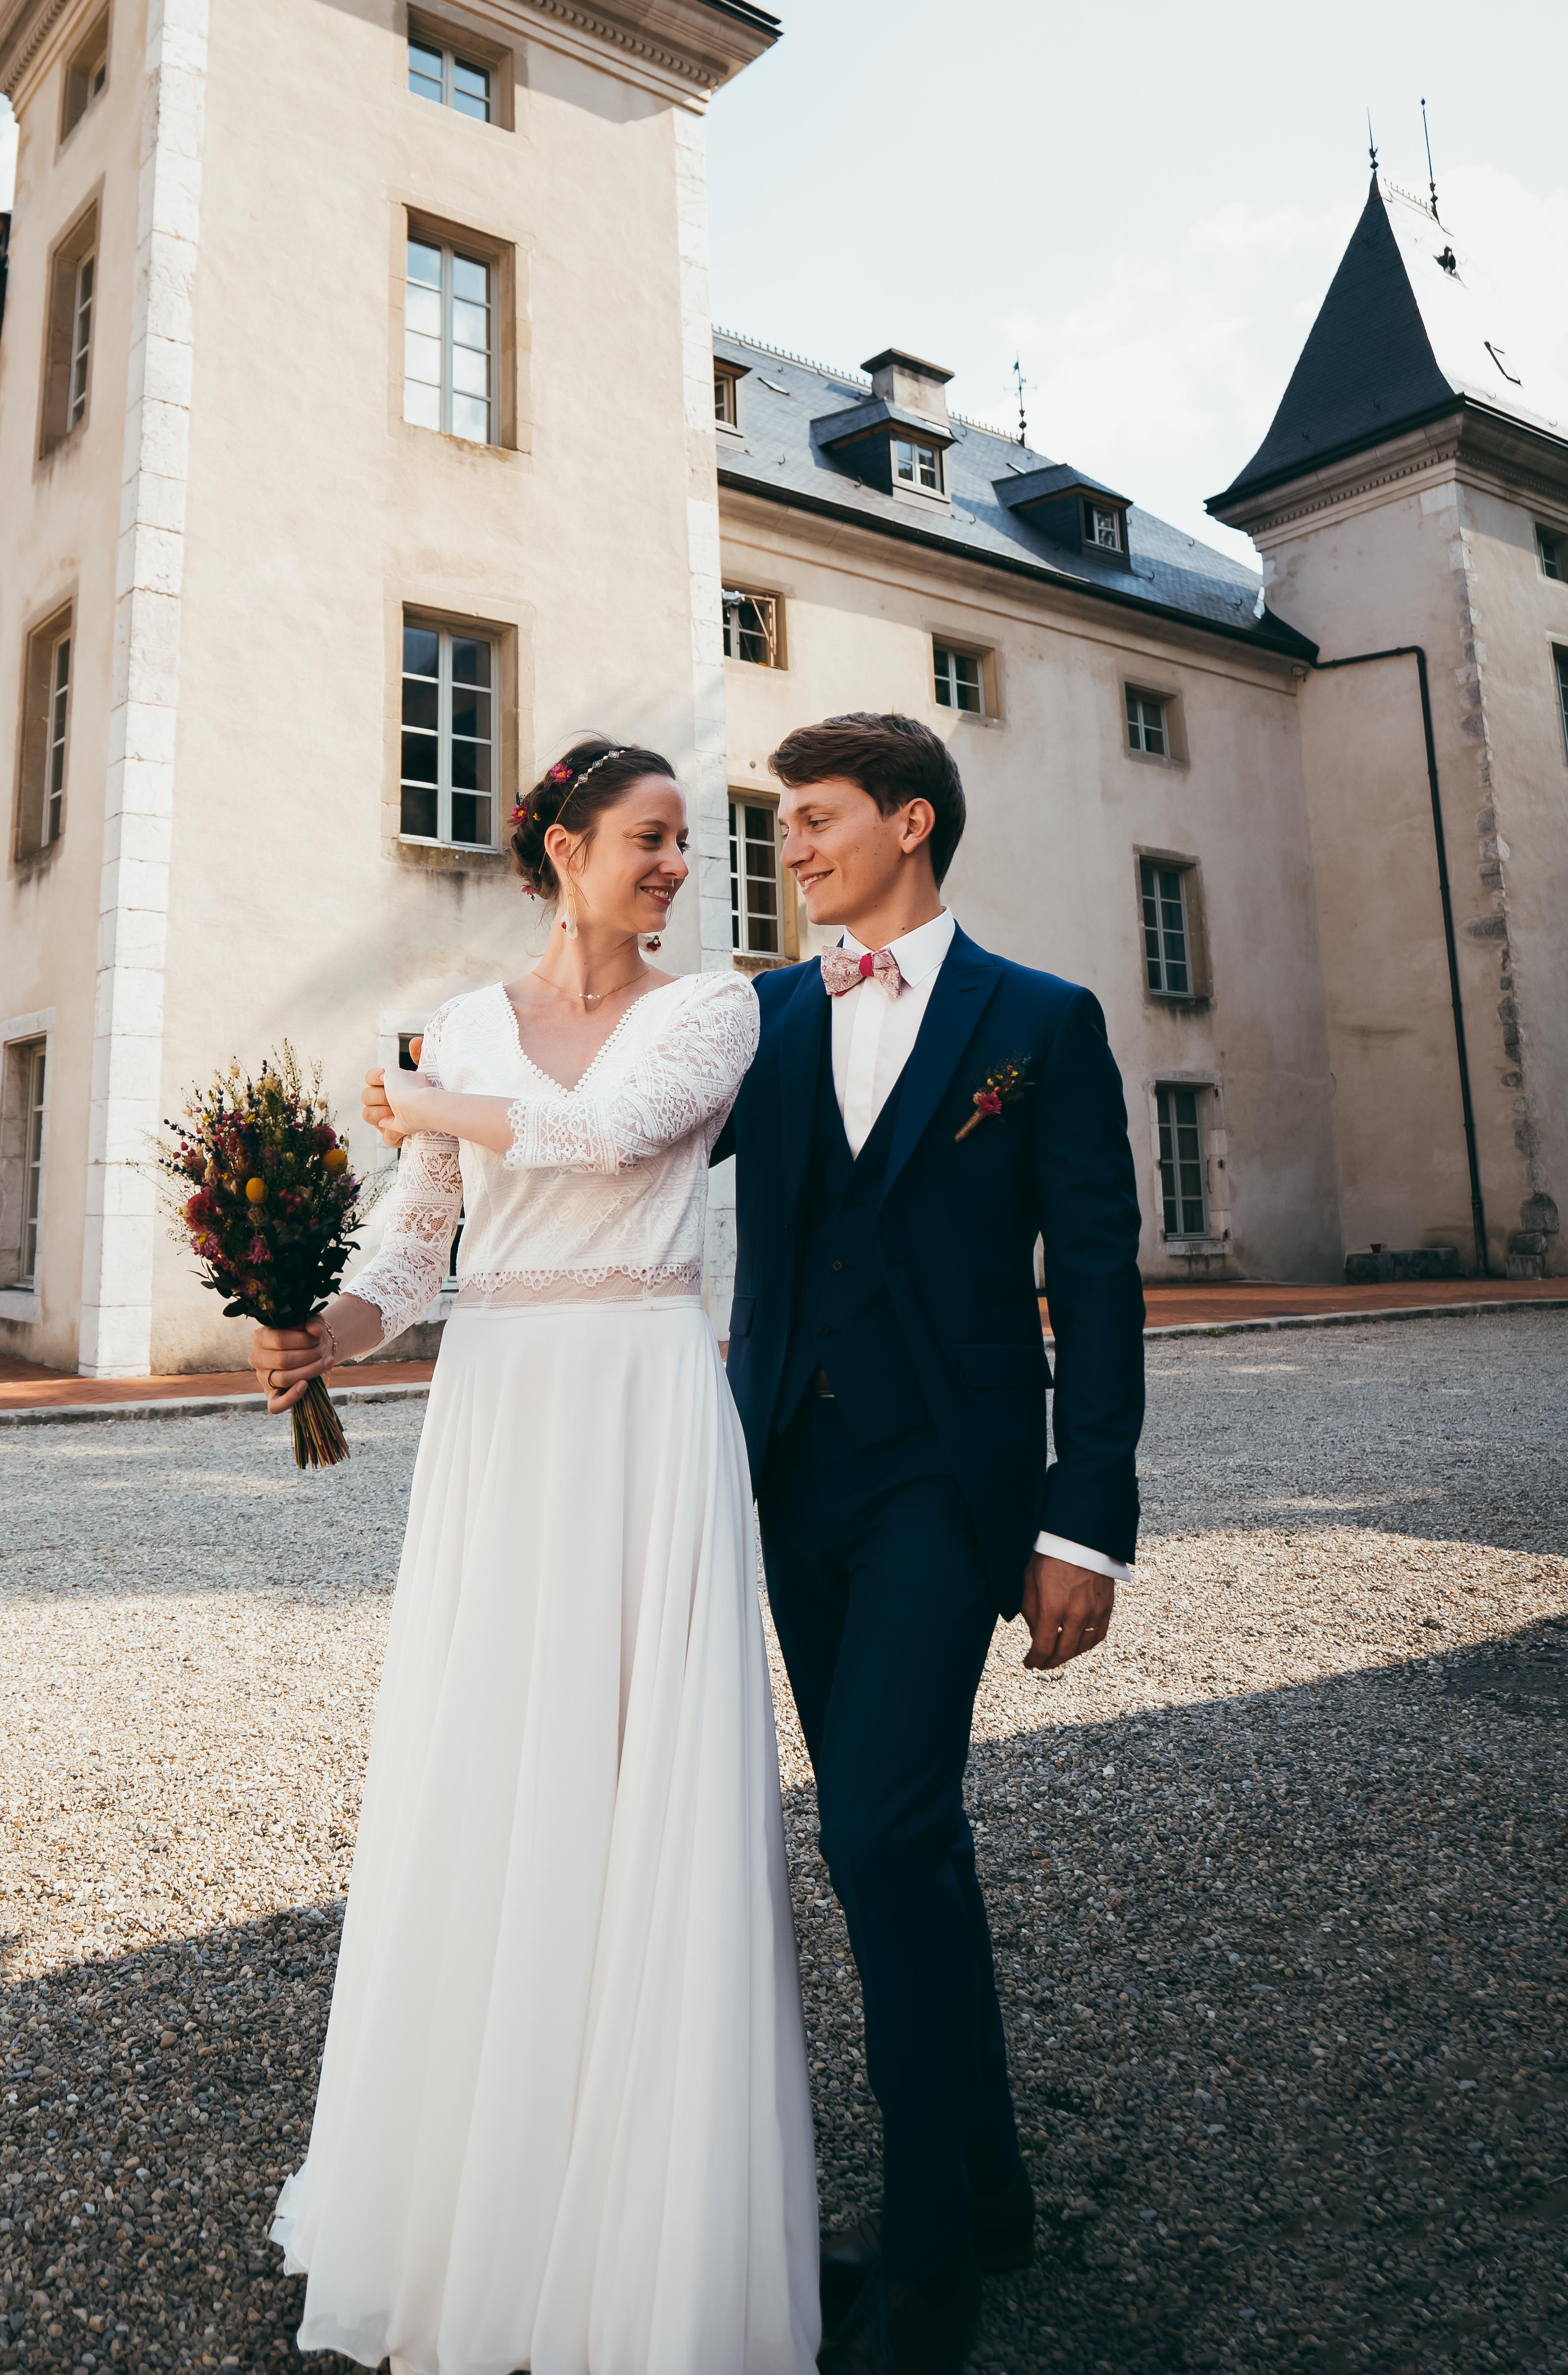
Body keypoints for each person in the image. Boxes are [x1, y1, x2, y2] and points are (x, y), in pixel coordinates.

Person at [248, 737, 820, 2375]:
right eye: (647, 839)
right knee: (498, 1767)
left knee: (647, 1779)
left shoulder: (715, 1010)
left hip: (644, 1400)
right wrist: (325, 1334)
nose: (675, 868)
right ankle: (468, 2209)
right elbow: (416, 1253)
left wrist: (429, 1096)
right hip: (497, 1409)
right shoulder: (464, 1023)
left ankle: (645, 2243)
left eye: (686, 847)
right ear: (562, 846)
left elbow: (616, 1134)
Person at [721, 711, 1145, 2375]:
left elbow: (1098, 1282)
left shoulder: (1038, 1023)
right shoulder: (760, 1016)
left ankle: (924, 2268)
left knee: (883, 1837)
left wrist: (1083, 1525)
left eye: (815, 818)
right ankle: (989, 2182)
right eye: (782, 823)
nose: (792, 845)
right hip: (785, 1483)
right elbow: (607, 1145)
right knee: (910, 1842)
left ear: (909, 822)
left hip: (946, 1492)